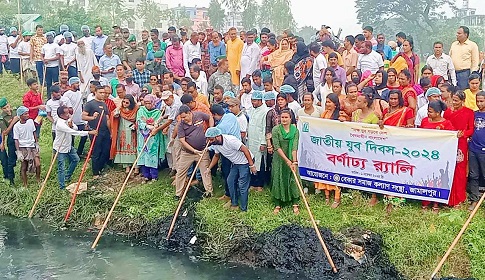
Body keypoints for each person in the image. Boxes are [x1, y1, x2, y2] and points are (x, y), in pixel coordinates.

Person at [206, 127, 255, 211]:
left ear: (217, 136)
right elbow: (216, 156)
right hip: (236, 163)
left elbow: (245, 150)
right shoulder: (216, 144)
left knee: (242, 185)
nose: (209, 142)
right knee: (230, 181)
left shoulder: (230, 140)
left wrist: (251, 165)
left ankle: (244, 209)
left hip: (245, 162)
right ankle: (234, 204)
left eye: (211, 139)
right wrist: (209, 168)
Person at [420, 100, 455, 213]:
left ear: (438, 112)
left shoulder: (446, 124)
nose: (428, 114)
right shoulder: (425, 121)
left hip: (439, 156)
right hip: (426, 155)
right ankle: (425, 201)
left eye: (430, 112)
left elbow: (451, 139)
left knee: (437, 179)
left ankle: (436, 203)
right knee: (426, 177)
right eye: (428, 111)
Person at [175, 105, 214, 199]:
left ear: (189, 113)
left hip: (202, 150)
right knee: (180, 172)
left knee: (205, 172)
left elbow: (210, 117)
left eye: (184, 117)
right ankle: (178, 193)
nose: (183, 119)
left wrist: (210, 129)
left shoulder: (199, 115)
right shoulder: (181, 125)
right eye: (181, 117)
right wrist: (194, 150)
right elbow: (182, 141)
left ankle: (209, 192)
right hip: (187, 153)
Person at [443, 90, 474, 207]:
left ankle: (459, 198)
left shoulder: (469, 113)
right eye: (453, 100)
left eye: (456, 101)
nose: (454, 103)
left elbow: (471, 129)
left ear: (463, 101)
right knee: (448, 169)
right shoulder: (447, 113)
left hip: (461, 143)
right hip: (449, 143)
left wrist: (463, 134)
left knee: (460, 171)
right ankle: (448, 197)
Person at [54, 105, 97, 189]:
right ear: (61, 115)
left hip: (68, 146)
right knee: (61, 167)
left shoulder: (68, 119)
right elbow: (73, 132)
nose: (69, 115)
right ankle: (62, 186)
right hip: (60, 148)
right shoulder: (60, 124)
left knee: (76, 159)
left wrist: (71, 125)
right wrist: (89, 133)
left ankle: (67, 177)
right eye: (66, 113)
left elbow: (75, 128)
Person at [351, 90, 380, 206]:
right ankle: (357, 193)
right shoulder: (355, 113)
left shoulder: (374, 117)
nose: (356, 102)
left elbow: (376, 134)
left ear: (365, 104)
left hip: (369, 148)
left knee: (371, 171)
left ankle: (374, 196)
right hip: (356, 147)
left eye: (359, 101)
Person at [271, 109, 300, 215]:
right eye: (282, 117)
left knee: (293, 177)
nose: (283, 119)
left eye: (286, 117)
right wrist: (287, 161)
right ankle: (278, 203)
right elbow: (277, 147)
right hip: (279, 158)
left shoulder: (295, 130)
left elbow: (294, 146)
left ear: (290, 118)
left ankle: (295, 202)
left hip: (291, 158)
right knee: (279, 178)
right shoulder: (276, 130)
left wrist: (294, 161)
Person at [315, 93, 342, 207]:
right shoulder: (324, 114)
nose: (327, 104)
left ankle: (336, 198)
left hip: (336, 149)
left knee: (335, 172)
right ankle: (327, 196)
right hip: (325, 147)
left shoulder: (340, 115)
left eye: (329, 102)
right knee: (325, 169)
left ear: (335, 104)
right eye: (326, 102)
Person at [82, 86, 110, 179]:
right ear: (95, 92)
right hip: (95, 130)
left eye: (104, 93)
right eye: (100, 92)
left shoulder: (104, 104)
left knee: (105, 151)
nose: (102, 94)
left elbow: (107, 118)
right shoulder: (90, 104)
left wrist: (110, 131)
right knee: (96, 151)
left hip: (105, 130)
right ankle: (95, 173)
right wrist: (93, 118)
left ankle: (100, 169)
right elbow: (84, 117)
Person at [109, 94, 139, 174]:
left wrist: (135, 125)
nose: (125, 104)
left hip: (132, 131)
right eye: (124, 102)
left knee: (133, 148)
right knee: (123, 148)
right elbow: (114, 115)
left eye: (127, 103)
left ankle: (136, 167)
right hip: (122, 131)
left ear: (131, 103)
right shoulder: (121, 109)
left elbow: (138, 119)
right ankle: (127, 167)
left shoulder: (136, 109)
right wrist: (119, 107)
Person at [135, 94, 162, 182]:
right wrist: (146, 125)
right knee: (143, 154)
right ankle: (146, 175)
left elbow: (158, 123)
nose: (147, 105)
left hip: (152, 137)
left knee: (152, 155)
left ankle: (154, 176)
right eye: (145, 103)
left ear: (153, 103)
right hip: (142, 136)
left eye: (149, 103)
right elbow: (139, 121)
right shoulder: (141, 110)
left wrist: (154, 125)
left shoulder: (157, 112)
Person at [13, 106, 40, 187]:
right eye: (25, 114)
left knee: (38, 164)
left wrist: (37, 143)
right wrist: (18, 152)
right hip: (23, 147)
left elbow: (34, 132)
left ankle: (38, 180)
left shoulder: (30, 122)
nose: (28, 115)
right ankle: (25, 184)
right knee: (24, 166)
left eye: (27, 113)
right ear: (20, 115)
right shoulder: (16, 126)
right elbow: (16, 140)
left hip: (32, 145)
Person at [247, 91, 269, 191]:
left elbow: (265, 128)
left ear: (260, 100)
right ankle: (253, 183)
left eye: (255, 101)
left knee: (260, 163)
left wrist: (263, 142)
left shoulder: (265, 111)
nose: (253, 102)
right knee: (252, 161)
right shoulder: (252, 110)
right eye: (252, 100)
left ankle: (260, 184)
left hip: (260, 140)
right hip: (251, 140)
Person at [467, 91, 485, 211]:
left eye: (481, 101)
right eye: (477, 101)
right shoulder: (474, 114)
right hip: (473, 148)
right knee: (473, 175)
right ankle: (474, 199)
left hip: (484, 150)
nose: (479, 103)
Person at [0, 98, 18, 186]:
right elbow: (5, 132)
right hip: (11, 139)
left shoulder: (15, 111)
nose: (7, 109)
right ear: (1, 109)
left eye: (7, 107)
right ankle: (11, 180)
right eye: (4, 108)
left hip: (21, 138)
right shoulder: (2, 118)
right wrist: (13, 122)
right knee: (11, 161)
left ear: (9, 104)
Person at [42, 32, 62, 99]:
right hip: (47, 67)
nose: (49, 38)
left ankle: (56, 95)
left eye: (50, 37)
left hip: (54, 66)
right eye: (48, 37)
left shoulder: (56, 46)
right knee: (48, 83)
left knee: (56, 82)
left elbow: (58, 56)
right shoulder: (44, 46)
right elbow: (42, 55)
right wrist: (44, 60)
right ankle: (49, 97)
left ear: (53, 37)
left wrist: (49, 60)